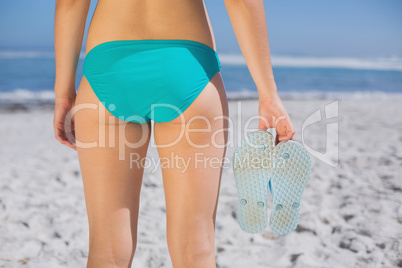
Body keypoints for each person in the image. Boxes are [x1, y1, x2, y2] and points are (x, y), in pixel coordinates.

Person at [53, 0, 295, 267]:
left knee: (107, 248)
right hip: (187, 65)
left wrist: (63, 93)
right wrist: (268, 94)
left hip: (109, 67)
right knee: (196, 246)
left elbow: (71, 3)